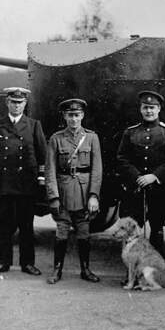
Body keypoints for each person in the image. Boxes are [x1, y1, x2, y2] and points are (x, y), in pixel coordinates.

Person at [0, 87, 47, 276]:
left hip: (26, 184)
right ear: (7, 103)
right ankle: (2, 262)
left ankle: (27, 263)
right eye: (13, 102)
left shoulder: (33, 125)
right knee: (4, 226)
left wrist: (41, 180)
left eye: (20, 103)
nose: (17, 106)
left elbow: (43, 155)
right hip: (4, 183)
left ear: (25, 104)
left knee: (26, 226)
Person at [116, 90, 165, 256]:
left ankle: (153, 265)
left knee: (157, 229)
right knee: (132, 230)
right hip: (135, 189)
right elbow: (122, 158)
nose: (149, 111)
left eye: (152, 107)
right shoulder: (131, 132)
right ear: (140, 109)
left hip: (158, 190)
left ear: (159, 109)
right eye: (146, 107)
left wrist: (154, 176)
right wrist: (137, 177)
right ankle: (131, 269)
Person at [44, 98, 102, 284]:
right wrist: (53, 197)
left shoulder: (92, 138)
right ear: (64, 116)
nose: (74, 119)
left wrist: (94, 195)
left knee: (84, 232)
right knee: (61, 232)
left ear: (82, 116)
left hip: (84, 193)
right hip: (63, 191)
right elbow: (50, 170)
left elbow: (97, 169)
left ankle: (85, 269)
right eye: (70, 115)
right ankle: (57, 270)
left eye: (77, 115)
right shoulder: (56, 139)